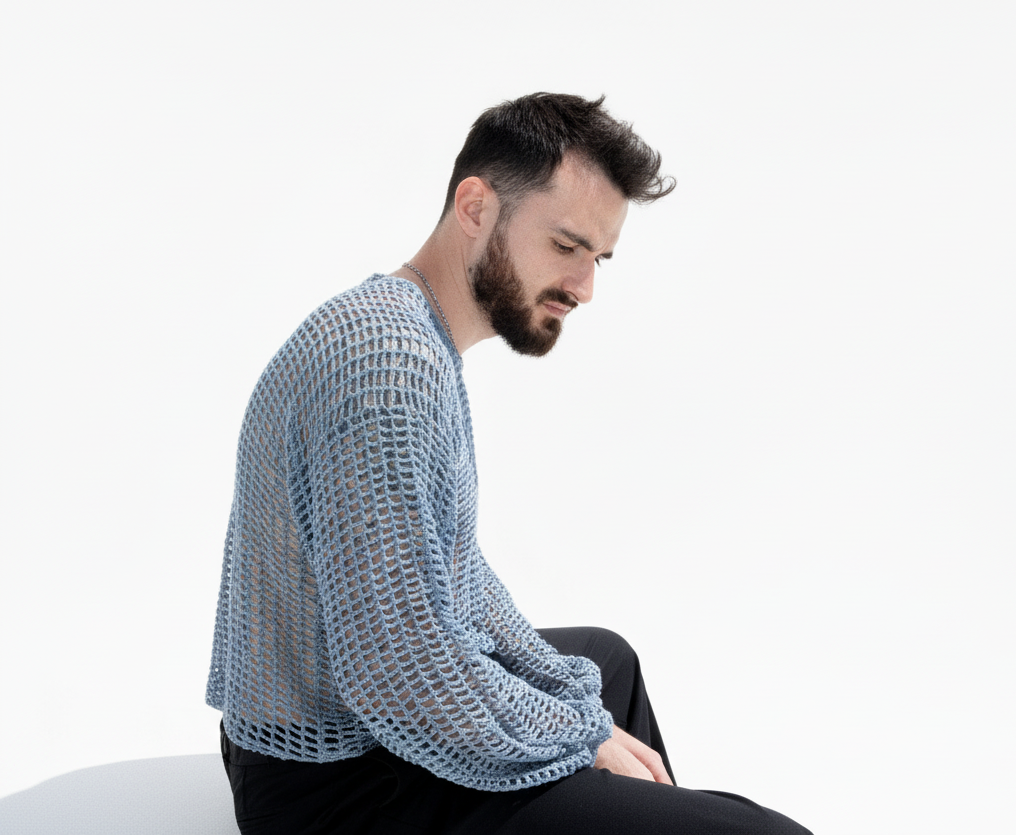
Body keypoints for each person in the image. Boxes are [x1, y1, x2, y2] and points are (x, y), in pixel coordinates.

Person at [206, 92, 813, 834]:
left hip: (357, 731)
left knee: (605, 663)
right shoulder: (387, 363)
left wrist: (574, 700)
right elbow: (400, 672)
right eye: (565, 246)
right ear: (476, 207)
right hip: (339, 786)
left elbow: (455, 577)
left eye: (598, 258)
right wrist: (582, 736)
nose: (584, 288)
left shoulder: (410, 330)